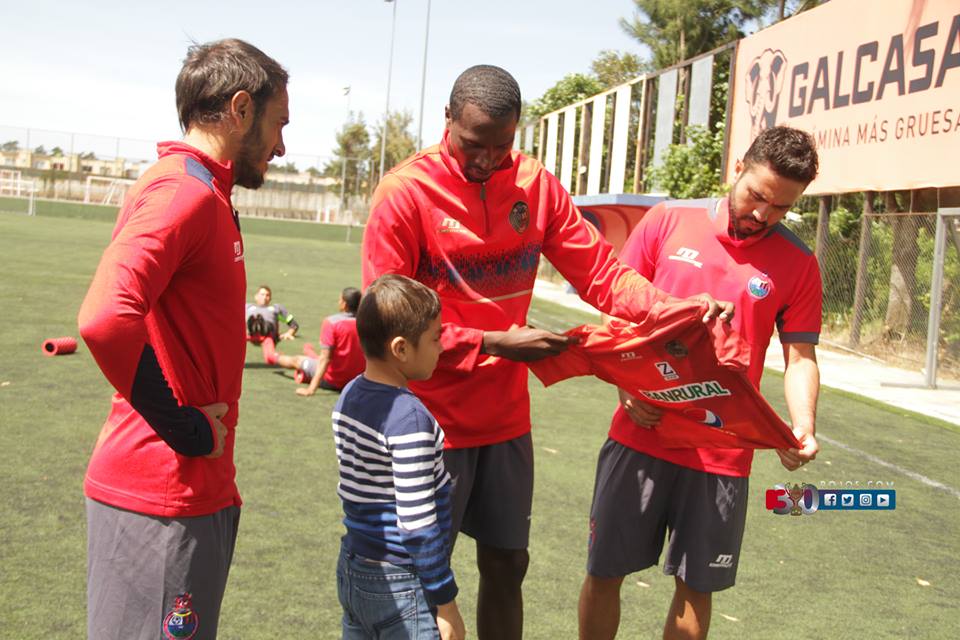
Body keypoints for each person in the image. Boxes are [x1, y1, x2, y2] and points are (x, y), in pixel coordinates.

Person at [361, 64, 732, 640]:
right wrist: (491, 341)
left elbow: (604, 274)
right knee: (417, 579)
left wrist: (674, 309)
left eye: (501, 144)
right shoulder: (404, 192)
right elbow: (384, 319)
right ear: (447, 122)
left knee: (507, 566)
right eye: (472, 144)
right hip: (425, 420)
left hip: (505, 418)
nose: (485, 159)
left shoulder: (535, 185)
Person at [77, 38, 289, 640]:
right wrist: (183, 427)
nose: (281, 146)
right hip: (159, 493)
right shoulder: (183, 192)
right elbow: (103, 316)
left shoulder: (206, 190)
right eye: (279, 124)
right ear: (241, 109)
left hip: (192, 490)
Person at [577, 125, 823, 640]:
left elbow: (799, 355)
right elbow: (615, 313)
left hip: (722, 451)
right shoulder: (668, 220)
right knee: (604, 572)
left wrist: (802, 425)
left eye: (780, 207)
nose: (763, 214)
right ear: (738, 167)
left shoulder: (799, 264)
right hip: (640, 433)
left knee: (696, 587)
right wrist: (627, 385)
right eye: (757, 195)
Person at [333, 274, 466, 640]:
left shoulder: (348, 396)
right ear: (401, 349)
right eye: (435, 338)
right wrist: (446, 604)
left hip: (354, 566)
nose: (441, 347)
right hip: (401, 582)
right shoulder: (410, 419)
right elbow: (417, 525)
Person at [276, 286, 365, 395]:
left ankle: (273, 357)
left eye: (340, 300)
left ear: (344, 304)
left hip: (333, 380)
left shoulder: (332, 322)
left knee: (297, 360)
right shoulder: (367, 324)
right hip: (357, 382)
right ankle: (308, 351)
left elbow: (325, 359)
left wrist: (310, 390)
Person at [246, 284, 299, 364]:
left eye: (267, 295)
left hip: (267, 336)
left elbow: (294, 325)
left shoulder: (275, 309)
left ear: (270, 298)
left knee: (270, 359)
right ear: (256, 296)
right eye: (262, 294)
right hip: (248, 334)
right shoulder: (247, 307)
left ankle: (295, 362)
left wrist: (289, 333)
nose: (264, 297)